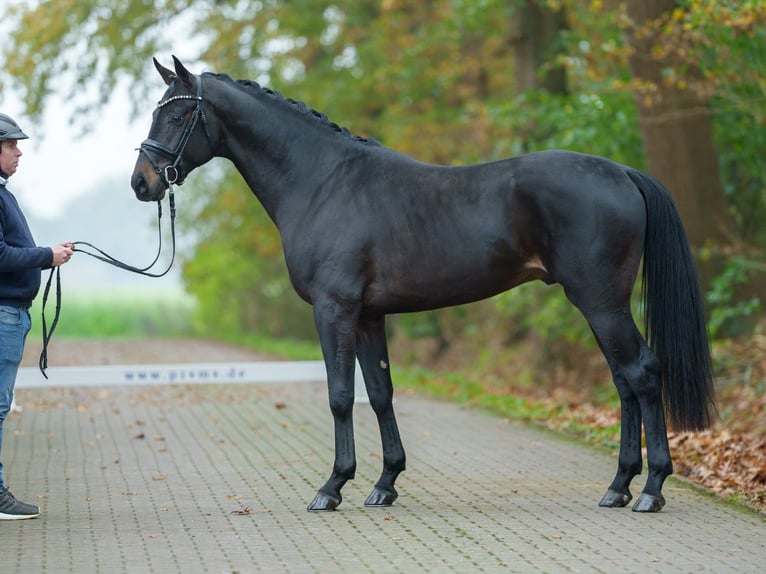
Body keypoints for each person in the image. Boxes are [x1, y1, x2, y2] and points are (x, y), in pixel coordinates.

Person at [0, 112, 73, 520]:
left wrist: (47, 253)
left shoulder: (3, 193)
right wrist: (47, 255)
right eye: (11, 145)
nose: (18, 152)